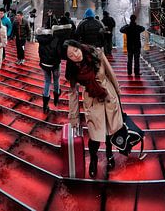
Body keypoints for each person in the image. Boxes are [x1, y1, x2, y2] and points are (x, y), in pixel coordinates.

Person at [64, 40, 123, 178]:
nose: (76, 56)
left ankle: (109, 155)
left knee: (110, 131)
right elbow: (73, 94)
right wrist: (74, 117)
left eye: (76, 51)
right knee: (94, 138)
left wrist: (118, 94)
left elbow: (110, 73)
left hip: (108, 96)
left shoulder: (97, 54)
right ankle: (94, 158)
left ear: (80, 47)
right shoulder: (73, 70)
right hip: (92, 102)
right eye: (71, 55)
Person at [35, 21, 71, 113]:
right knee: (56, 80)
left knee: (47, 81)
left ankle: (45, 105)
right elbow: (59, 53)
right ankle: (56, 97)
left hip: (44, 64)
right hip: (54, 64)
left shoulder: (41, 39)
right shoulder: (56, 39)